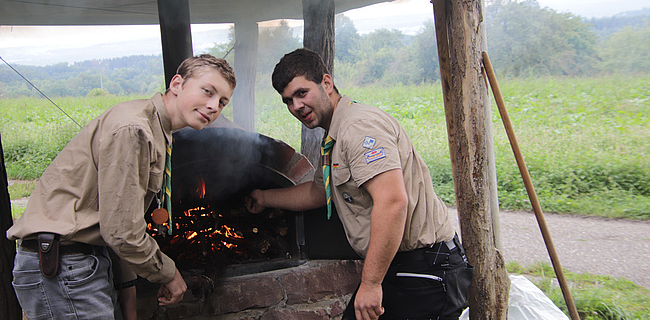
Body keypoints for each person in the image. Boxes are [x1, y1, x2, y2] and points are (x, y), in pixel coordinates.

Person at [246, 48, 473, 320]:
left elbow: (392, 201)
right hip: (400, 265)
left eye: (301, 93)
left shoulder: (359, 128)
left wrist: (371, 283)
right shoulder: (335, 136)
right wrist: (265, 197)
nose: (296, 106)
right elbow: (317, 191)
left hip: (425, 270)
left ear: (326, 83)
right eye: (287, 101)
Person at [7, 54, 236, 320]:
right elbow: (121, 230)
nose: (213, 106)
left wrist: (127, 287)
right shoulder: (135, 129)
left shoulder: (155, 129)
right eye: (207, 91)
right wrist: (168, 273)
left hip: (81, 262)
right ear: (177, 84)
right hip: (64, 267)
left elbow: (118, 221)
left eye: (222, 102)